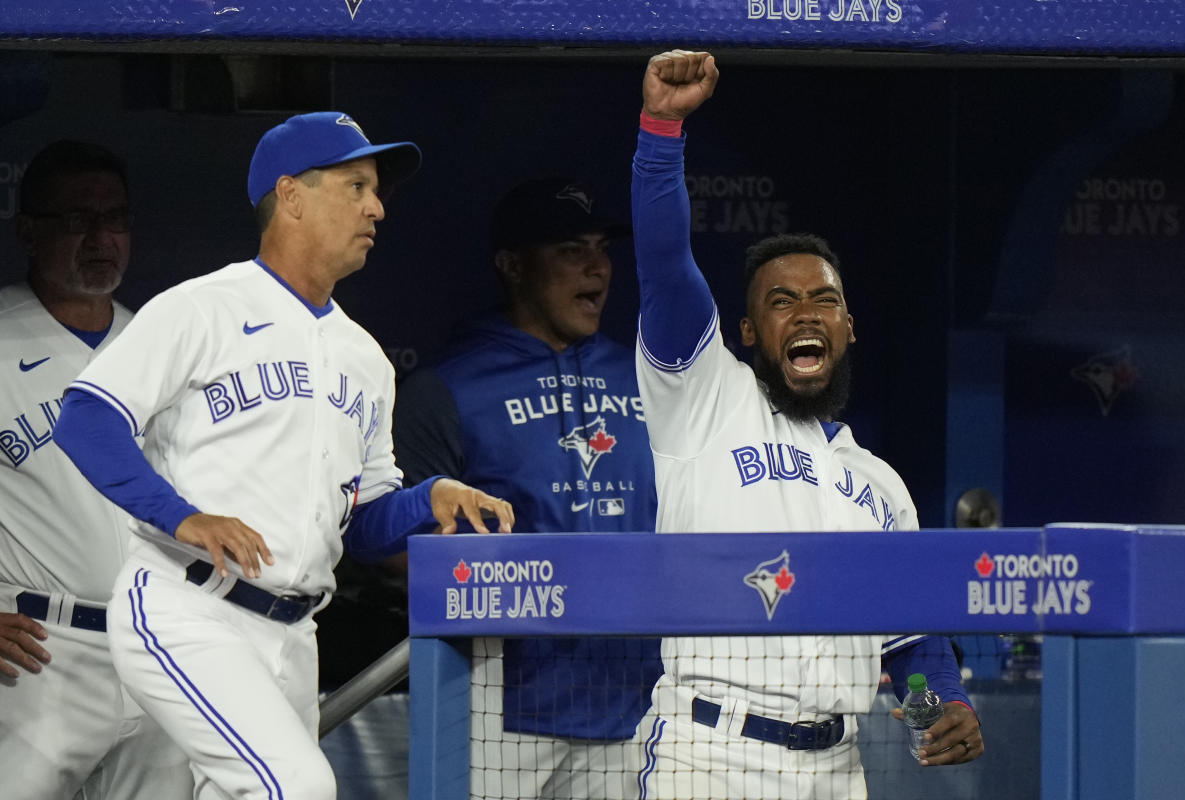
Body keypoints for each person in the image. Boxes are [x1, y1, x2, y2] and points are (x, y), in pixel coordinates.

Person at [51, 111, 515, 800]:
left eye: (377, 190)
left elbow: (363, 524)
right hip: (189, 606)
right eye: (356, 185)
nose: (377, 207)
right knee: (294, 787)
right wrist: (183, 517)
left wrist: (430, 497)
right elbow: (85, 418)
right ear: (291, 195)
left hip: (295, 634)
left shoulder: (365, 357)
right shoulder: (203, 307)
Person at [627, 50, 984, 800]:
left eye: (822, 300)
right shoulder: (706, 398)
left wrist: (937, 711)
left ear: (849, 327)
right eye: (780, 302)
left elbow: (909, 645)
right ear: (748, 333)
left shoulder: (881, 488)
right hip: (709, 754)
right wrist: (662, 130)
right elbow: (664, 262)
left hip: (835, 766)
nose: (804, 312)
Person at [392, 176, 661, 799]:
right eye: (571, 249)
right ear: (513, 266)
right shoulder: (448, 387)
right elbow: (400, 553)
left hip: (637, 699)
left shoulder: (649, 379)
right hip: (500, 704)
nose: (597, 266)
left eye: (602, 248)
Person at [0, 140, 193, 799]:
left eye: (114, 218)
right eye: (76, 220)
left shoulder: (158, 345)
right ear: (28, 229)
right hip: (36, 652)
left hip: (155, 645)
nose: (100, 237)